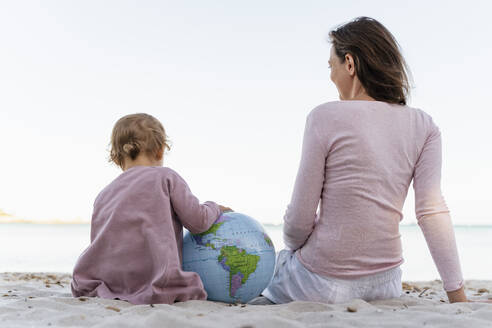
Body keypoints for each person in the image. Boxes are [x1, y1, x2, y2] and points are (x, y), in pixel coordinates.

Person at [262, 17, 474, 304]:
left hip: (321, 282)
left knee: (278, 262)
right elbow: (431, 211)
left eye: (331, 66)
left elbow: (298, 223)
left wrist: (293, 247)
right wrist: (457, 295)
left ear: (349, 63)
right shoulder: (424, 126)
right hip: (385, 284)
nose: (330, 75)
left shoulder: (323, 117)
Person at [71, 113, 231, 305]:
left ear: (115, 158)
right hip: (152, 281)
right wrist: (214, 207)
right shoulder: (166, 177)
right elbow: (198, 222)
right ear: (160, 151)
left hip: (106, 281)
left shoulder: (103, 194)